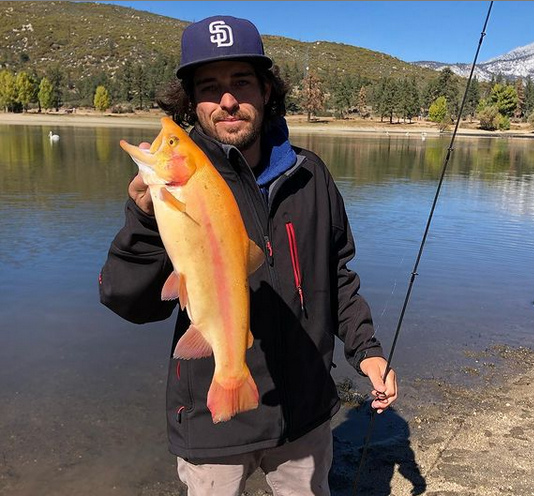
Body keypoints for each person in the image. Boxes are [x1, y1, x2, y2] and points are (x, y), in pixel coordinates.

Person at [100, 15, 397, 496]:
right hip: (211, 420)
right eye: (210, 86)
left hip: (305, 413)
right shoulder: (174, 191)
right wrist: (145, 221)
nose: (228, 100)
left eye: (241, 82)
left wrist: (366, 351)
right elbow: (129, 302)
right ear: (191, 102)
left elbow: (337, 273)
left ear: (265, 90)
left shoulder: (310, 175)